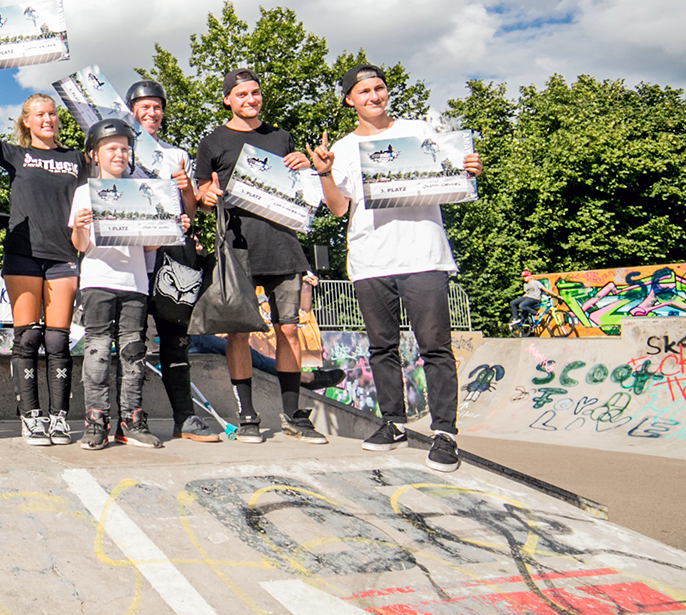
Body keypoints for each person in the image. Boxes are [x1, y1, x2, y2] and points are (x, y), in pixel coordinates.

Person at [307, 63, 483, 472]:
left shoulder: (418, 131)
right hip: (371, 258)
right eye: (364, 91)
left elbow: (452, 174)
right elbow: (338, 208)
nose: (374, 96)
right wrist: (326, 172)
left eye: (379, 88)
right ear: (350, 100)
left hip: (423, 254)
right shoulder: (344, 148)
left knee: (434, 345)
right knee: (382, 347)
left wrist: (466, 170)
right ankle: (393, 423)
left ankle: (444, 434)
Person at [194, 67, 327, 446]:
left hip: (282, 244)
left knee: (289, 329)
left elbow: (302, 190)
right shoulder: (212, 142)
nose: (250, 99)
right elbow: (202, 195)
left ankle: (292, 415)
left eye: (255, 93)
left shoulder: (281, 138)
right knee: (239, 331)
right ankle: (247, 416)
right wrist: (205, 197)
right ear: (227, 100)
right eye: (241, 94)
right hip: (237, 247)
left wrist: (304, 166)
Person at [0, 57, 85, 446]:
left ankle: (59, 417)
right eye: (40, 114)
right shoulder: (16, 154)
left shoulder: (77, 159)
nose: (48, 119)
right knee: (28, 338)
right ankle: (31, 417)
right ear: (26, 121)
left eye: (52, 114)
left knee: (58, 340)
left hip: (64, 255)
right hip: (23, 254)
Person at [68, 118, 181, 449]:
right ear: (95, 154)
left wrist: (170, 228)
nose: (119, 154)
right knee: (98, 349)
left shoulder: (142, 192)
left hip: (135, 281)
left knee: (133, 350)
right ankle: (96, 421)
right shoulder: (84, 192)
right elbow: (80, 245)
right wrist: (79, 226)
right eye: (112, 149)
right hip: (97, 279)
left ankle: (131, 421)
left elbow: (147, 246)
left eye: (124, 149)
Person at [125, 78, 220, 443]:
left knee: (176, 339)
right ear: (131, 111)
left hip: (171, 259)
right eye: (144, 107)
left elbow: (190, 213)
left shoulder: (176, 154)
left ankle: (185, 417)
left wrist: (185, 190)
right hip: (132, 258)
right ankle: (130, 419)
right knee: (131, 341)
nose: (151, 113)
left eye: (157, 107)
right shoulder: (119, 149)